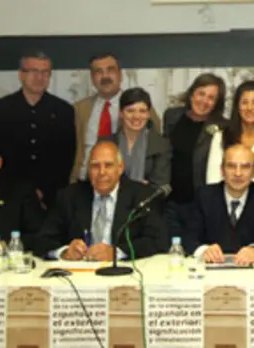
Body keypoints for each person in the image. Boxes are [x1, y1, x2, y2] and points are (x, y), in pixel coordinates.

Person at [35, 141, 168, 261]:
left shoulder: (142, 196)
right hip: (79, 275)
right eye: (95, 166)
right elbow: (42, 240)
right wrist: (64, 251)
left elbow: (158, 241)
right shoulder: (70, 196)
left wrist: (116, 253)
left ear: (120, 168)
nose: (101, 172)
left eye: (108, 165)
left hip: (124, 273)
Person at [0, 50, 76, 209]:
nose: (39, 77)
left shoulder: (64, 110)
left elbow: (66, 157)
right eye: (33, 71)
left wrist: (44, 191)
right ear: (21, 74)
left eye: (45, 72)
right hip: (9, 196)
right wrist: (21, 192)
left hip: (52, 198)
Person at [184, 145, 254, 266]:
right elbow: (188, 238)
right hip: (210, 271)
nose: (238, 173)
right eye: (231, 166)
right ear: (222, 170)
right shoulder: (204, 196)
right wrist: (204, 250)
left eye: (245, 167)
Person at [72, 53, 162, 183]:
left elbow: (156, 145)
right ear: (92, 78)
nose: (105, 76)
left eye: (110, 70)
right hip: (84, 182)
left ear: (120, 74)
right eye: (98, 72)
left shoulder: (141, 109)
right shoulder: (79, 109)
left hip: (124, 184)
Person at [162, 73, 227, 230]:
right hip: (170, 201)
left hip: (199, 203)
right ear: (192, 94)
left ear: (216, 104)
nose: (204, 101)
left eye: (211, 98)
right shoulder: (172, 116)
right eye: (201, 93)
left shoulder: (223, 126)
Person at [103, 87, 171, 188]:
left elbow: (160, 186)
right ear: (121, 113)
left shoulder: (161, 145)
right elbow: (97, 178)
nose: (136, 116)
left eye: (142, 111)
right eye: (130, 111)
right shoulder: (105, 144)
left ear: (148, 114)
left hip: (146, 202)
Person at [206, 80, 254, 184]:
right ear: (237, 107)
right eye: (244, 102)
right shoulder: (221, 137)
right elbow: (213, 179)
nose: (249, 108)